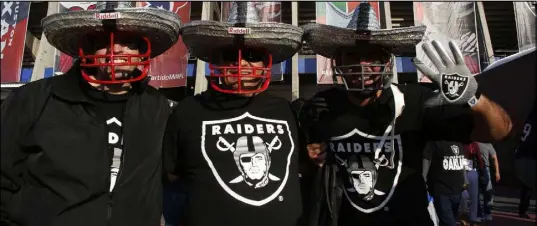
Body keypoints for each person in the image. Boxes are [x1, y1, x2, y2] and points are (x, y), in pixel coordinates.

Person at [298, 2, 512, 226]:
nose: (363, 64)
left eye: (372, 56)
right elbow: (304, 164)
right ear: (338, 62)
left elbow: (500, 131)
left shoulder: (414, 101)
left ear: (386, 62)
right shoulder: (322, 107)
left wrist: (474, 98)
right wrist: (309, 157)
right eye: (352, 55)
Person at [0, 2, 181, 226]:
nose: (116, 50)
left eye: (129, 42)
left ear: (142, 51)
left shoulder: (158, 107)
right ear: (88, 47)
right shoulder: (33, 99)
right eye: (104, 41)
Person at [163, 2, 305, 226]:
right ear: (216, 60)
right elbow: (171, 176)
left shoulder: (287, 110)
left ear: (266, 61)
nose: (241, 63)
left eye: (251, 54)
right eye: (231, 55)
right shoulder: (187, 111)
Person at [423, 141, 467, 226]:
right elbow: (426, 159)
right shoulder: (435, 142)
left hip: (457, 190)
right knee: (449, 223)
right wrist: (423, 180)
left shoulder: (459, 143)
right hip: (441, 191)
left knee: (447, 221)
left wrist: (465, 181)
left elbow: (462, 163)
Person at [476, 142, 499, 221]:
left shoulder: (488, 145)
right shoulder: (472, 143)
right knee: (476, 193)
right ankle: (478, 213)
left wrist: (497, 172)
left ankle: (487, 213)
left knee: (488, 192)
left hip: (486, 169)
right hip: (475, 168)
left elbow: (494, 158)